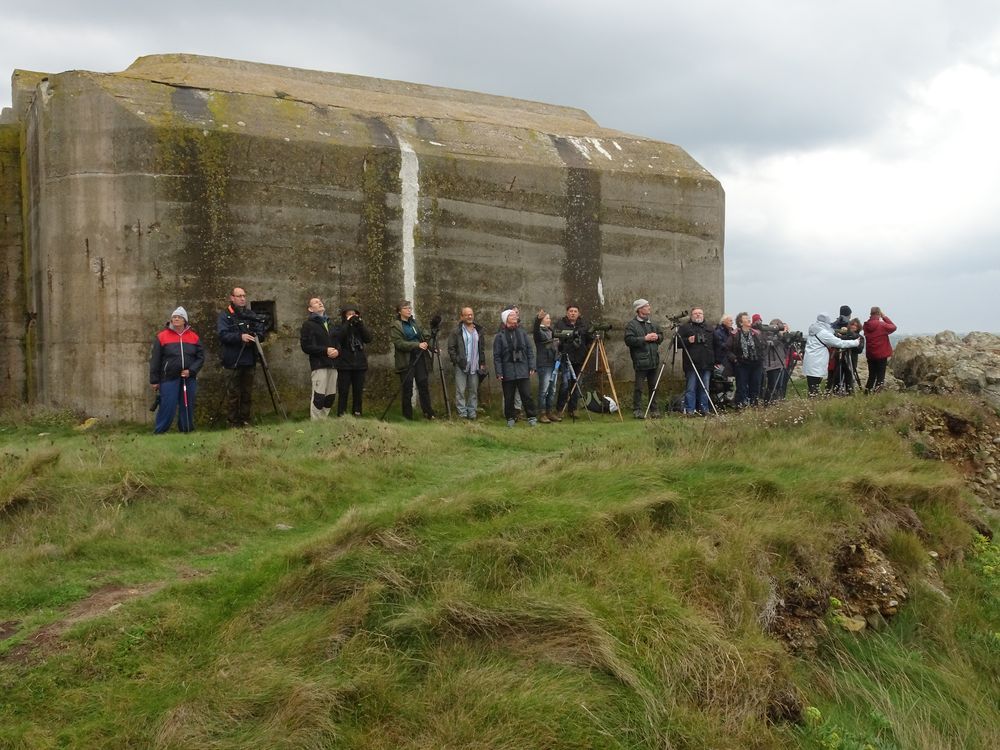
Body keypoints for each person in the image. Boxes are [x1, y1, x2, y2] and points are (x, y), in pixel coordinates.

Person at [149, 306, 204, 433]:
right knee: (168, 405)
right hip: (168, 377)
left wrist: (191, 371)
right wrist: (154, 380)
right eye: (174, 317)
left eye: (179, 317)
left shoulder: (194, 337)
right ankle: (160, 431)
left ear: (185, 320)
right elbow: (155, 359)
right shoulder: (162, 337)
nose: (176, 319)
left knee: (187, 404)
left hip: (188, 377)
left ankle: (186, 429)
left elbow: (200, 358)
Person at [217, 287, 265, 427]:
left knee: (247, 392)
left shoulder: (250, 314)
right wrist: (240, 336)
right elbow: (223, 335)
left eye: (244, 295)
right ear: (232, 298)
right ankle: (232, 421)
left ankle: (245, 419)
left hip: (249, 358)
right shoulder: (225, 315)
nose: (242, 298)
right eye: (239, 296)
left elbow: (261, 332)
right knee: (233, 393)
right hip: (232, 360)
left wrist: (255, 336)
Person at [390, 300, 435, 420]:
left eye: (410, 308)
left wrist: (432, 347)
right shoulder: (396, 325)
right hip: (406, 360)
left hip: (420, 357)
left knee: (423, 385)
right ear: (400, 311)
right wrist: (416, 345)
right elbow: (399, 343)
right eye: (406, 308)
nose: (409, 310)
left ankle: (428, 413)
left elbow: (425, 335)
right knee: (407, 388)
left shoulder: (415, 323)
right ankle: (407, 416)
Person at [493, 309, 538, 427]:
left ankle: (532, 417)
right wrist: (499, 372)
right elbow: (497, 356)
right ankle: (510, 418)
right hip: (508, 371)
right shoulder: (499, 336)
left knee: (527, 395)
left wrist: (532, 366)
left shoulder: (522, 333)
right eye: (511, 315)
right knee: (509, 397)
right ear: (506, 319)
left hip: (522, 369)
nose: (515, 317)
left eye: (515, 315)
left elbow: (529, 350)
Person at [803, 312, 863, 395]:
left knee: (812, 386)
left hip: (811, 361)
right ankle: (813, 403)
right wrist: (855, 342)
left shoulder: (814, 330)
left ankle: (813, 400)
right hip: (817, 362)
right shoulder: (823, 333)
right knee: (814, 388)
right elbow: (839, 343)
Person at [299, 297, 340, 420]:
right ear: (310, 309)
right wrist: (325, 350)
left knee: (330, 396)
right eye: (316, 302)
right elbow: (306, 346)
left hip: (333, 364)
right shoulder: (308, 325)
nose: (320, 303)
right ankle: (315, 423)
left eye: (320, 301)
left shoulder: (331, 323)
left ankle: (324, 421)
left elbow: (338, 342)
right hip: (319, 365)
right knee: (319, 396)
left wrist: (338, 351)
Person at [623, 299, 664, 418]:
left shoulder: (653, 324)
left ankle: (654, 410)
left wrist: (657, 337)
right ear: (639, 309)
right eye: (646, 306)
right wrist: (644, 339)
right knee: (639, 387)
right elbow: (628, 340)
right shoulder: (632, 325)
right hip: (640, 361)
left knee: (654, 387)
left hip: (653, 360)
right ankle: (637, 410)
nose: (649, 308)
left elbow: (661, 336)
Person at [446, 306, 486, 420]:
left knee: (473, 390)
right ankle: (462, 414)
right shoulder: (456, 331)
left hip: (475, 365)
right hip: (461, 366)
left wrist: (482, 362)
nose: (470, 316)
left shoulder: (478, 330)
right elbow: (451, 348)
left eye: (471, 314)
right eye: (467, 315)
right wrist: (457, 360)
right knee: (460, 390)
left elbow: (481, 348)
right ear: (461, 317)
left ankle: (472, 413)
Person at [554, 304, 593, 418]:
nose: (573, 313)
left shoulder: (584, 325)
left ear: (578, 313)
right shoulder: (560, 324)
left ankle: (573, 409)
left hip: (580, 358)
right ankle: (560, 409)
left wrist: (586, 349)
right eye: (571, 311)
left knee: (576, 384)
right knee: (565, 384)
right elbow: (557, 338)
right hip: (566, 358)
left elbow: (589, 339)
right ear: (567, 313)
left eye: (575, 311)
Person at [333, 303, 372, 416]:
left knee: (358, 391)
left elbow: (368, 338)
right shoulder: (339, 326)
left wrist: (360, 324)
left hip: (359, 364)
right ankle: (341, 414)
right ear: (344, 315)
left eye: (354, 314)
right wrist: (347, 323)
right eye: (349, 314)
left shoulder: (359, 327)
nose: (352, 316)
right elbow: (339, 337)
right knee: (343, 391)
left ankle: (357, 413)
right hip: (344, 365)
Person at [676, 307, 714, 415]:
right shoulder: (685, 328)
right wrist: (687, 340)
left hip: (706, 363)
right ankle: (690, 410)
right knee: (691, 388)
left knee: (705, 388)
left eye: (700, 313)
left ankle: (704, 409)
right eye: (695, 313)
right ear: (691, 316)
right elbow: (676, 343)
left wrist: (715, 360)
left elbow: (715, 345)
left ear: (703, 315)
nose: (698, 315)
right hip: (691, 363)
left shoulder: (710, 328)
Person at [728, 312, 765, 407]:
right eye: (746, 318)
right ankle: (741, 406)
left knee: (755, 385)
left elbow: (763, 346)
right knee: (742, 386)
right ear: (740, 323)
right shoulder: (734, 334)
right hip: (742, 364)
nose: (749, 319)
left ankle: (754, 405)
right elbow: (727, 350)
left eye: (749, 318)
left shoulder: (756, 333)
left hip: (756, 364)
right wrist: (735, 360)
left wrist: (761, 358)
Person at [533, 309, 559, 422]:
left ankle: (550, 412)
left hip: (554, 363)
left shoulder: (551, 331)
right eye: (547, 318)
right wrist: (537, 319)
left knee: (552, 389)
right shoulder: (539, 332)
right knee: (544, 390)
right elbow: (535, 329)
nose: (550, 320)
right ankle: (542, 413)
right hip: (544, 364)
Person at [863, 307, 897, 393]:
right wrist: (884, 317)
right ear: (879, 313)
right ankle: (877, 394)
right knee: (880, 376)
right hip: (881, 354)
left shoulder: (866, 325)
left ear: (871, 314)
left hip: (871, 354)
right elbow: (893, 327)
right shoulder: (882, 324)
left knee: (872, 375)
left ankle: (867, 393)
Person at [761, 318, 791, 402]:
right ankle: (768, 402)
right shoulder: (768, 335)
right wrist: (779, 335)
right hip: (772, 365)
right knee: (772, 386)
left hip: (781, 363)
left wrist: (786, 336)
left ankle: (777, 401)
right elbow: (771, 344)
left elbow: (786, 346)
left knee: (779, 386)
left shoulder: (780, 336)